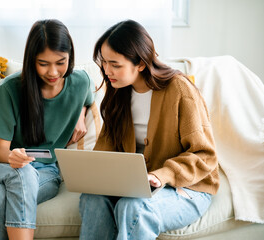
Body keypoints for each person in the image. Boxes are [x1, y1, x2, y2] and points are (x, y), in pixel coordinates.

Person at [79, 19, 220, 240]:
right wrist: (92, 173)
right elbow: (106, 149)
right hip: (137, 185)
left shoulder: (180, 90)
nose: (107, 71)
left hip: (187, 187)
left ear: (141, 64)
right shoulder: (118, 91)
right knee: (91, 197)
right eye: (104, 62)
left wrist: (161, 175)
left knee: (134, 208)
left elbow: (205, 155)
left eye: (115, 64)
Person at [0, 19, 94, 240]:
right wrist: (13, 157)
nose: (53, 72)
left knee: (0, 197)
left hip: (47, 171)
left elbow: (90, 94)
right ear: (31, 60)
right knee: (24, 173)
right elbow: (0, 151)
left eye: (61, 62)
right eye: (43, 63)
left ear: (70, 57)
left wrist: (81, 114)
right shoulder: (10, 90)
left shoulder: (81, 82)